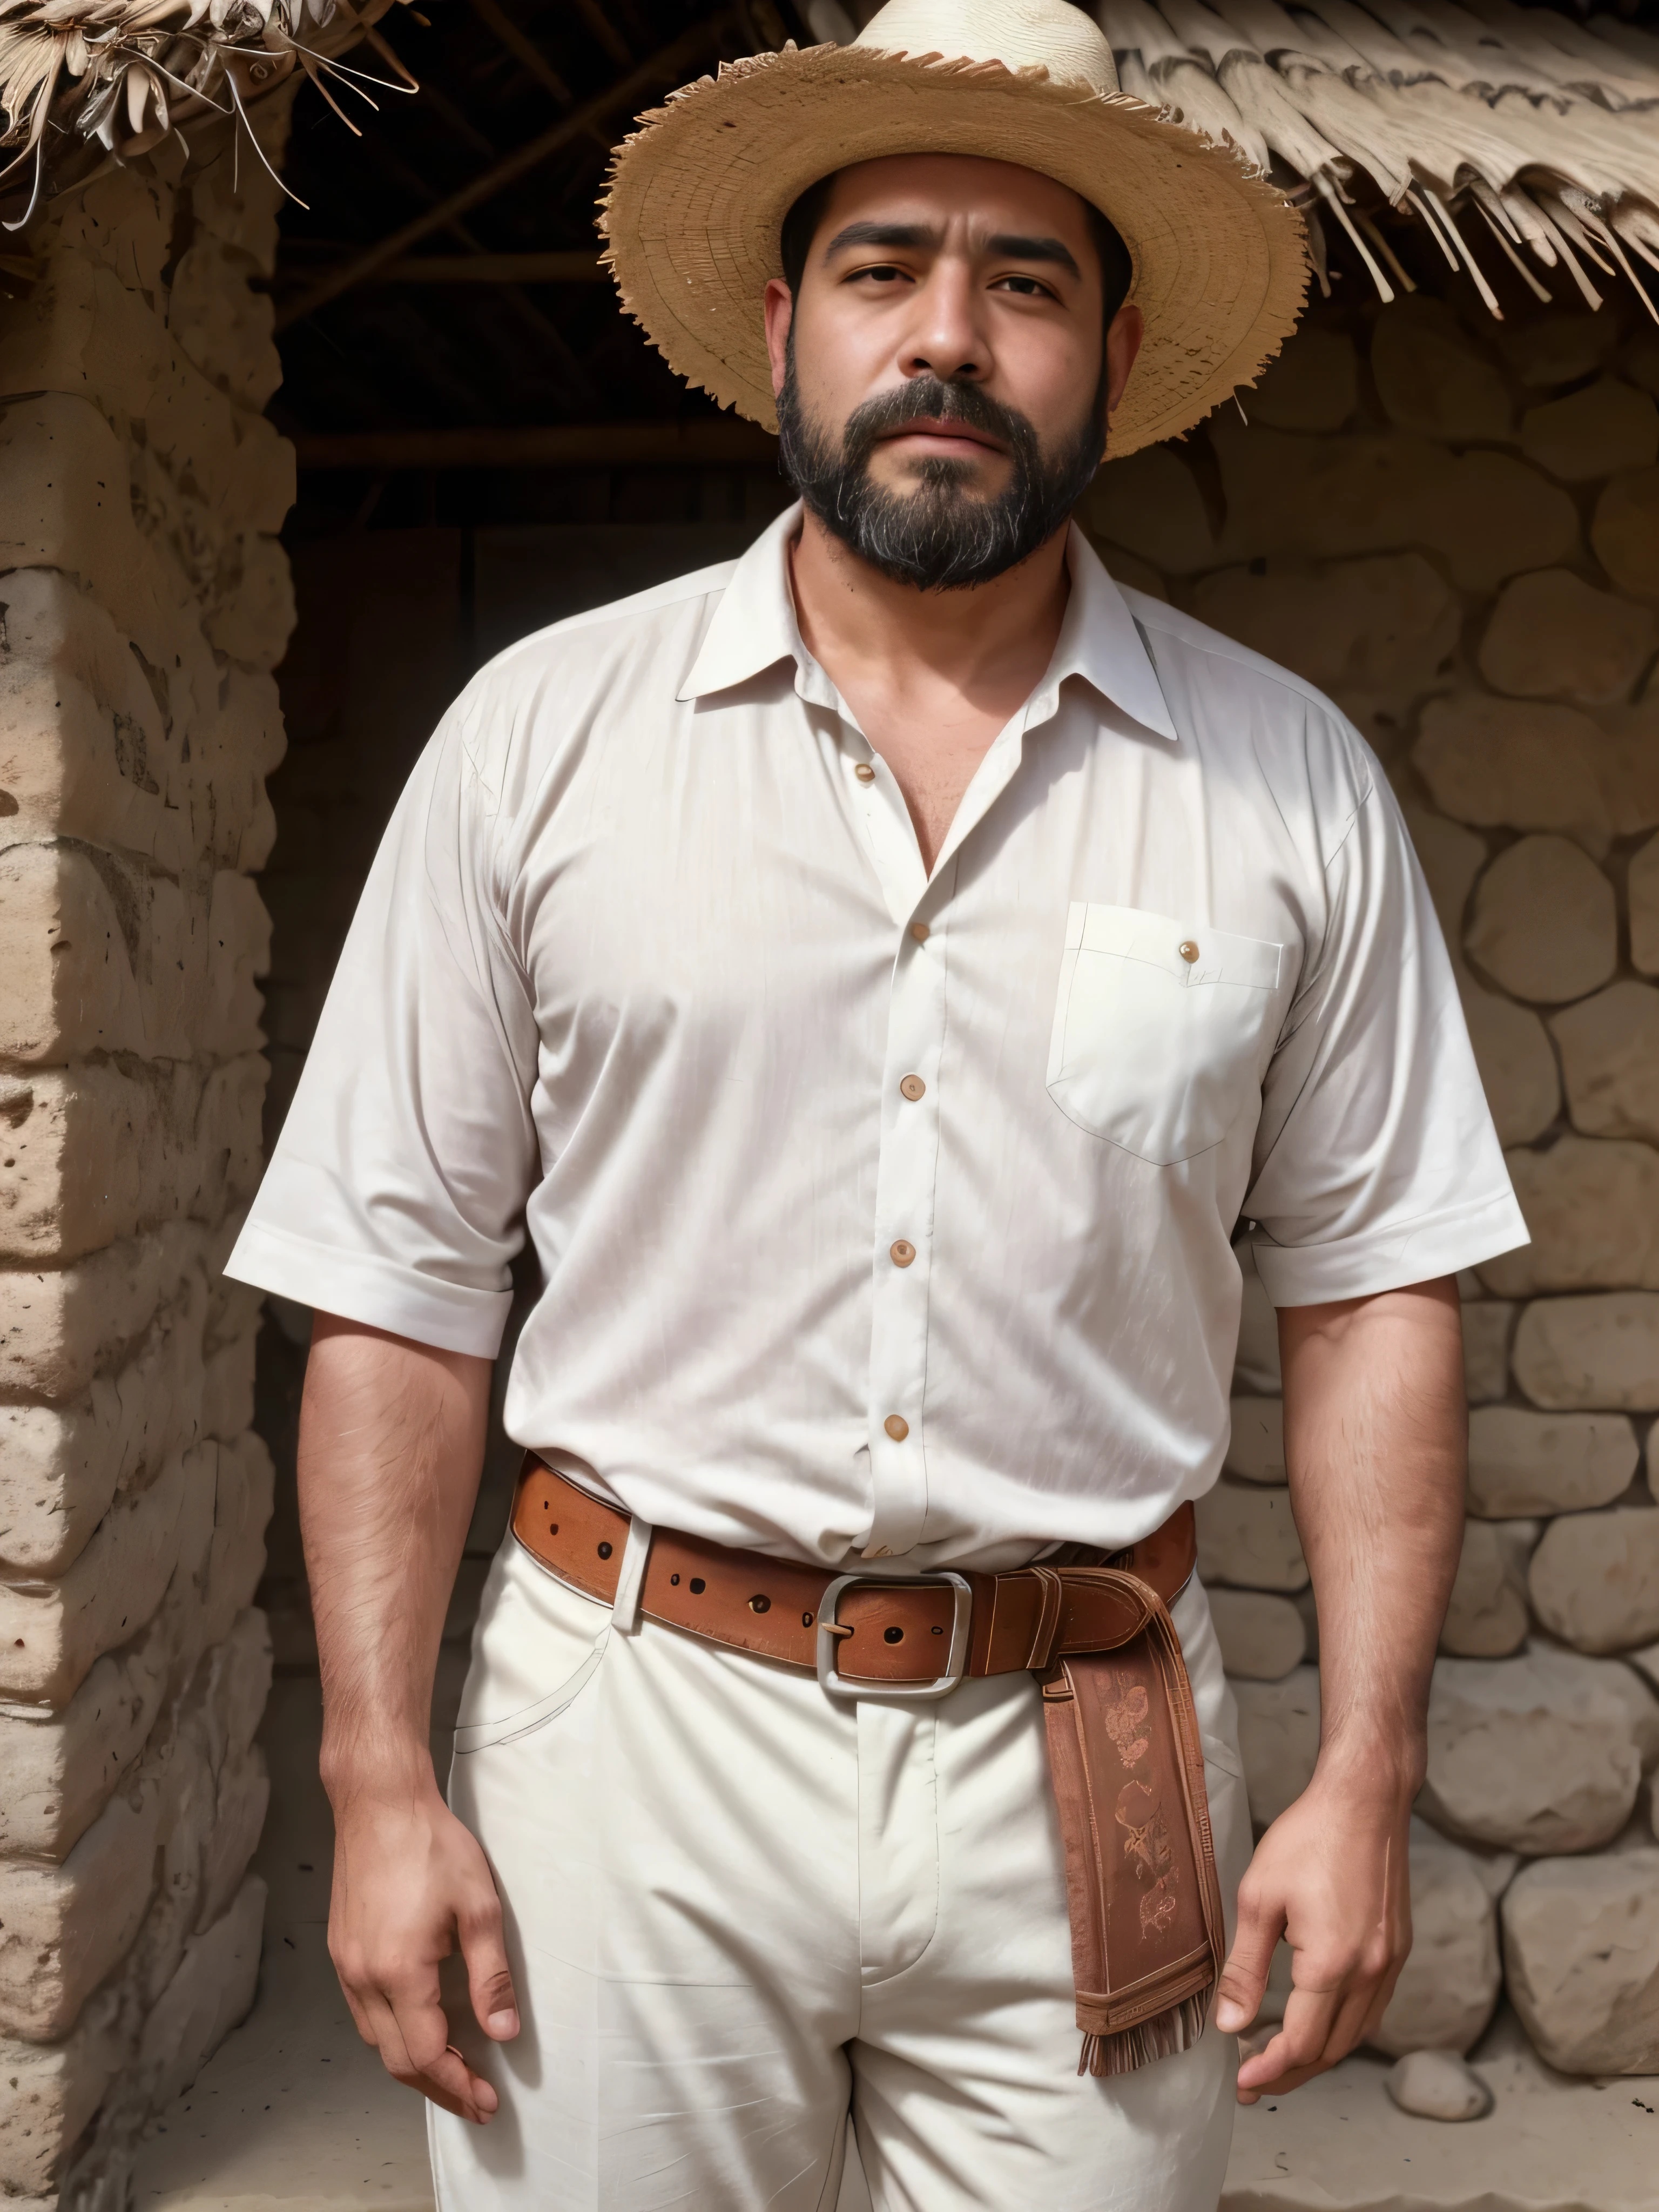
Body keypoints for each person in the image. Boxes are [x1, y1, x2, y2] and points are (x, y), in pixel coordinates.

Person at [227, 1, 1527, 2204]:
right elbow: (399, 1286)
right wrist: (377, 1783)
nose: (950, 335)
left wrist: (1368, 1772)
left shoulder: (1283, 785)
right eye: (885, 268)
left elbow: (1377, 1285)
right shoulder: (539, 745)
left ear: (1112, 350)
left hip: (1088, 1733)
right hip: (628, 1740)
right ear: (780, 328)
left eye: (1024, 285)